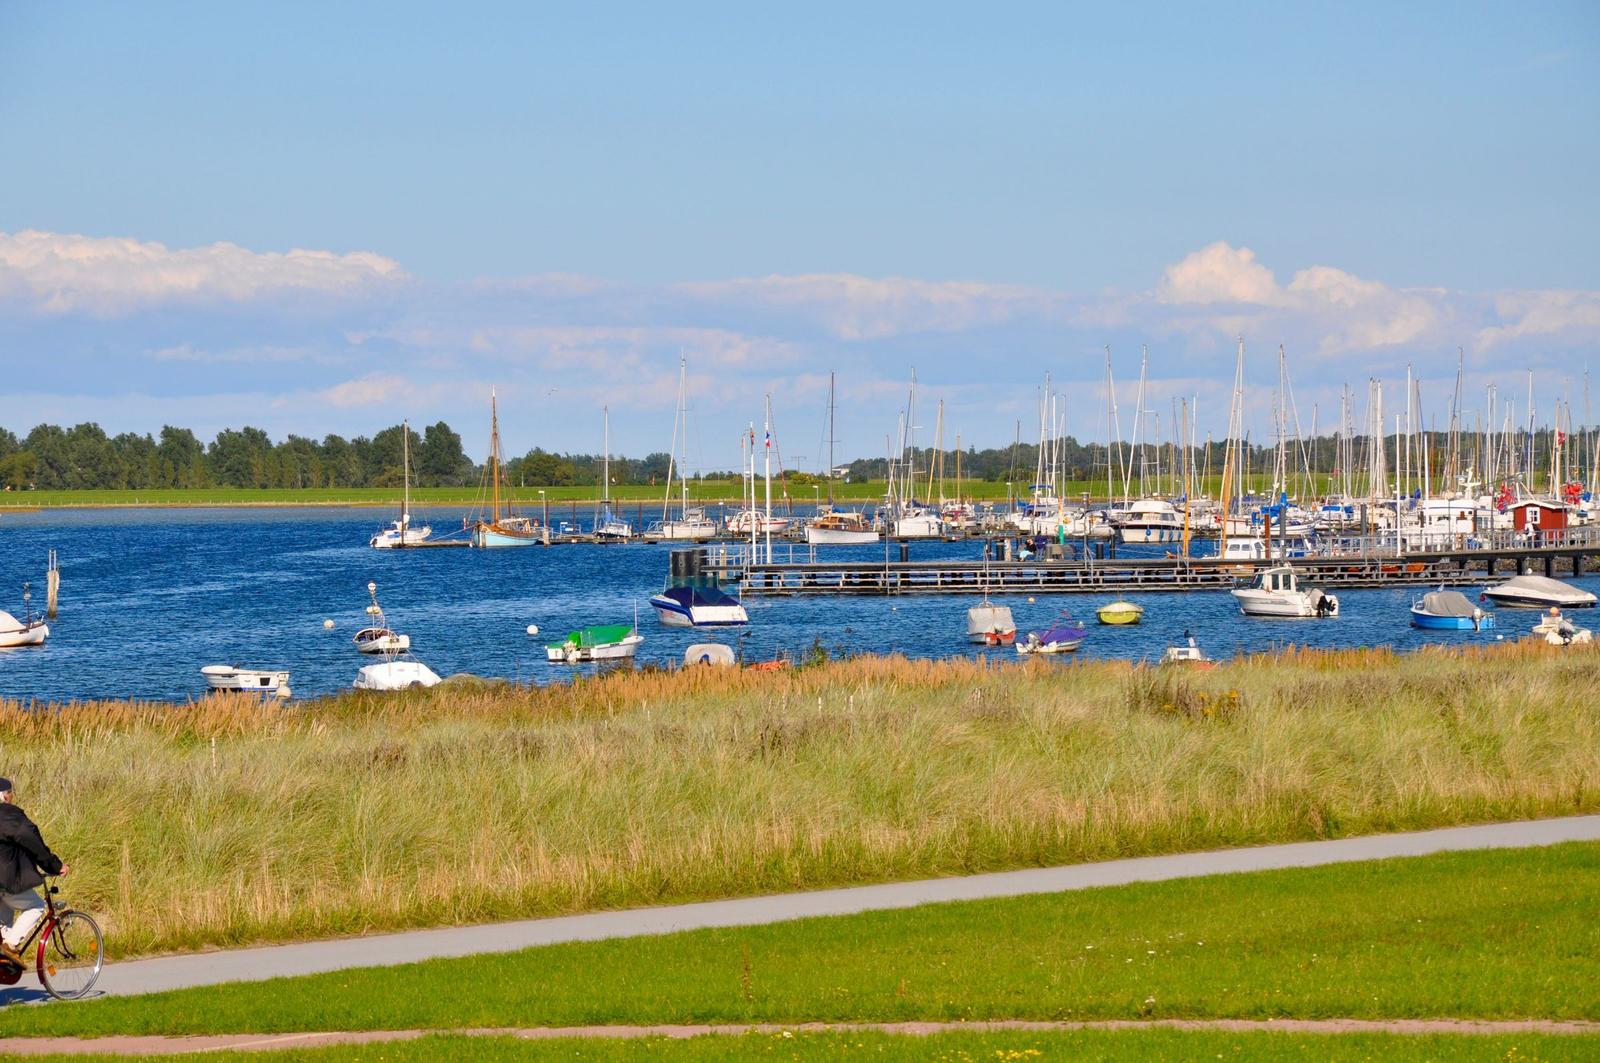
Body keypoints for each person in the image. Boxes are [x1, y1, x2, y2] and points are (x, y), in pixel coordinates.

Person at [0, 778, 67, 966]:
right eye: (10, 792)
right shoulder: (9, 816)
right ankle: (11, 947)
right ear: (4, 796)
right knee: (36, 906)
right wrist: (55, 866)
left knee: (5, 916)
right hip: (6, 880)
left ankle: (6, 963)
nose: (12, 796)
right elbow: (32, 841)